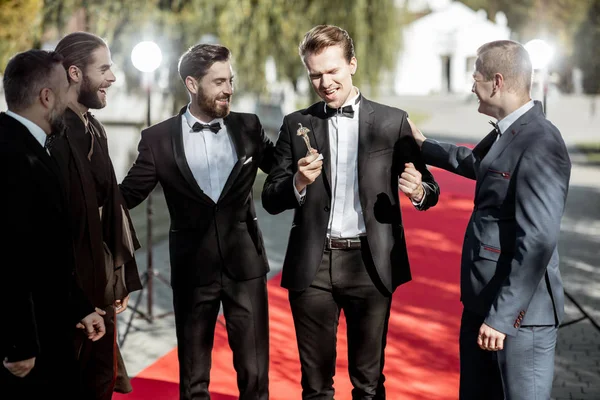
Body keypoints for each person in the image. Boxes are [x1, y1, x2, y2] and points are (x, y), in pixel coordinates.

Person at [261, 25, 440, 399]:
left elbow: (430, 189)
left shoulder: (393, 121)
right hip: (313, 267)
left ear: (352, 65)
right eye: (315, 74)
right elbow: (271, 197)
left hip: (370, 264)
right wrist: (297, 181)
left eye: (332, 71)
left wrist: (419, 190)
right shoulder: (296, 125)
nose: (324, 82)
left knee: (369, 382)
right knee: (315, 386)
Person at [408, 40, 570, 400]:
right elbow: (481, 166)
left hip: (519, 320)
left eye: (475, 77)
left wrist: (502, 317)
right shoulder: (512, 131)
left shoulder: (540, 141)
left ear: (496, 81)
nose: (471, 86)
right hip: (484, 303)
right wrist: (423, 145)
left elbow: (538, 241)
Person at [119, 43, 275, 400]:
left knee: (255, 376)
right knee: (193, 379)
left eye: (230, 80)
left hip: (245, 266)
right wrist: (79, 192)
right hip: (192, 271)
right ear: (192, 84)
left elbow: (282, 169)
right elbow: (128, 195)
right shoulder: (157, 139)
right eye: (219, 81)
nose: (229, 88)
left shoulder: (248, 126)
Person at [0, 49, 106, 400]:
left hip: (48, 325)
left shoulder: (27, 144)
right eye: (65, 89)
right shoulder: (13, 155)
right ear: (47, 97)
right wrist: (19, 343)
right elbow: (10, 255)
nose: (70, 97)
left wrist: (79, 306)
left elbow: (45, 251)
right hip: (29, 344)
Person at [51, 31, 143, 399]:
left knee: (100, 382)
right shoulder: (55, 132)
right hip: (70, 292)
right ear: (74, 73)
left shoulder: (93, 126)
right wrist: (79, 297)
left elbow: (110, 204)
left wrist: (116, 275)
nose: (113, 78)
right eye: (103, 69)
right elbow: (56, 224)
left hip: (97, 285)